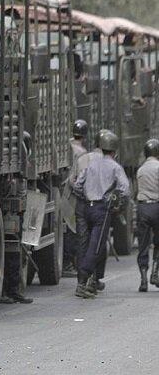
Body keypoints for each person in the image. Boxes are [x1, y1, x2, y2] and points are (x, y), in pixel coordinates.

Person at [73, 130, 130, 298]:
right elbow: (125, 190)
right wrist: (117, 204)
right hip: (102, 210)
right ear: (113, 150)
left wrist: (86, 196)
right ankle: (83, 282)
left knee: (88, 244)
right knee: (96, 246)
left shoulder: (90, 164)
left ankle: (92, 281)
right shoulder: (115, 167)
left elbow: (77, 185)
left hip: (86, 207)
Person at [74, 129, 109, 292]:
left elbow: (73, 182)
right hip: (98, 205)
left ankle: (81, 279)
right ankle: (94, 278)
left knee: (83, 242)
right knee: (98, 242)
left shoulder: (83, 158)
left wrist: (84, 195)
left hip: (81, 204)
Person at [1, 131, 33, 305]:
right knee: (12, 252)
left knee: (15, 253)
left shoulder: (20, 166)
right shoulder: (14, 172)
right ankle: (11, 290)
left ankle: (13, 290)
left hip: (16, 213)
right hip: (11, 213)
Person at [63, 120, 88, 277]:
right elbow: (81, 176)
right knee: (73, 229)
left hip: (63, 190)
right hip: (73, 193)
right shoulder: (82, 152)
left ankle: (67, 262)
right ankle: (67, 263)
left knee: (66, 227)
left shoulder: (67, 145)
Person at [135, 138, 159, 292]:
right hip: (157, 207)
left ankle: (143, 279)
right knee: (158, 243)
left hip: (143, 208)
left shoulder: (141, 169)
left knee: (143, 245)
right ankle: (155, 273)